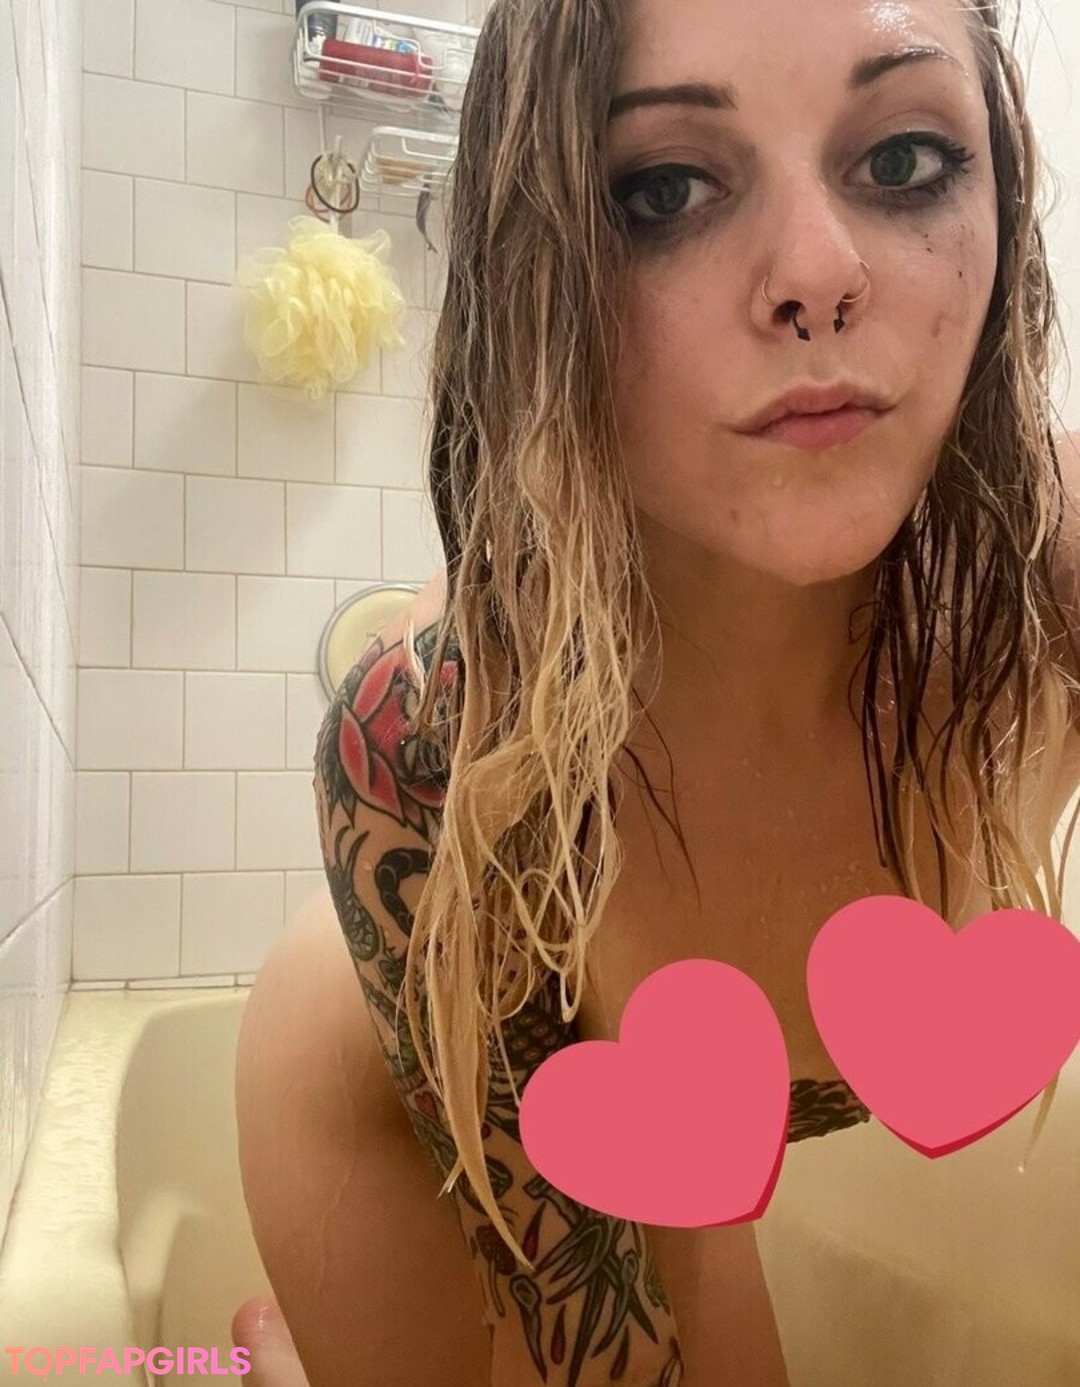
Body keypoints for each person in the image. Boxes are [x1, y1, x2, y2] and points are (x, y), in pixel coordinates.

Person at [232, 0, 1080, 1383]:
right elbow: (595, 1339)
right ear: (536, 271)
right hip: (400, 1101)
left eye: (905, 162)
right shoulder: (444, 733)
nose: (818, 276)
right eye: (665, 190)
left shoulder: (1050, 579)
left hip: (679, 1118)